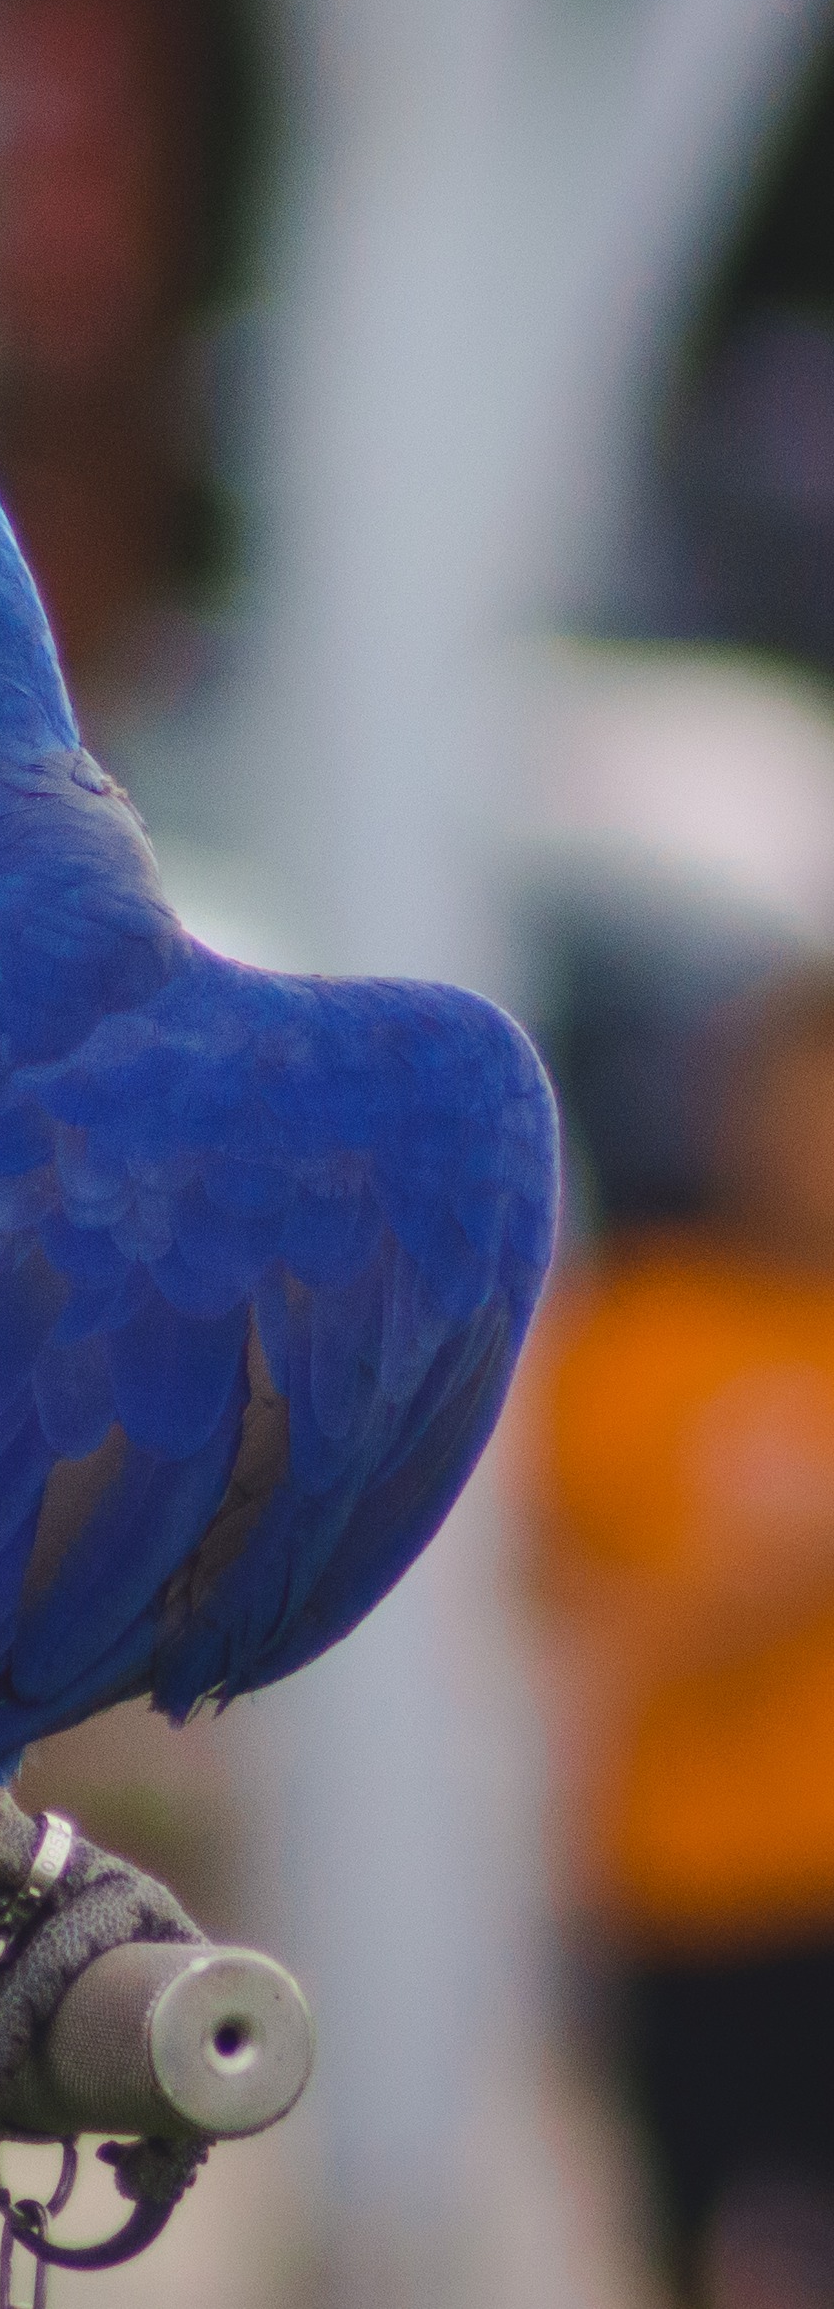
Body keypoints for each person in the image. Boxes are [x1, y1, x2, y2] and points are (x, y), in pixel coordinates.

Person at [530, 969, 834, 2308]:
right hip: (694, 1899)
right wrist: (757, 1584)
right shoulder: (640, 1337)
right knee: (689, 2244)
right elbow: (575, 1617)